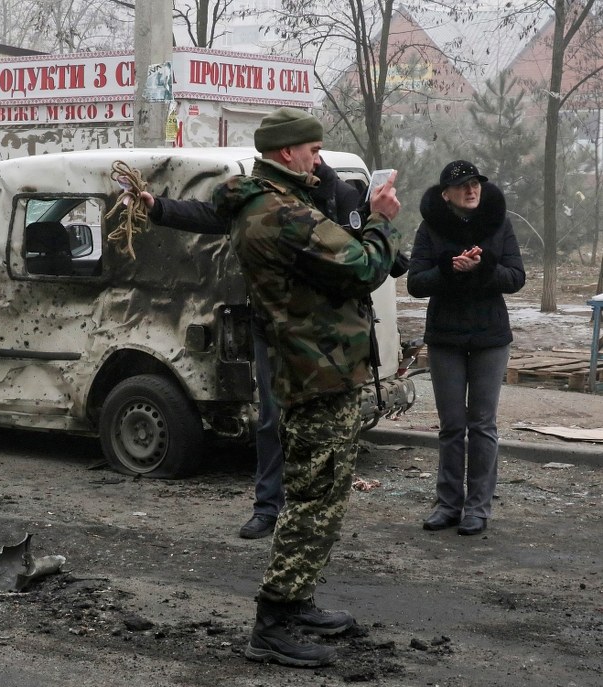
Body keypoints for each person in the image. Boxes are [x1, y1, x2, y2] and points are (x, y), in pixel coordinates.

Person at [211, 107, 402, 667]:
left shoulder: (272, 204)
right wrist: (381, 219)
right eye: (313, 151)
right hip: (316, 370)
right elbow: (365, 266)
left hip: (316, 366)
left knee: (319, 494)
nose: (318, 160)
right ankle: (273, 622)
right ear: (286, 153)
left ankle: (295, 601)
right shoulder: (281, 213)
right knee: (313, 500)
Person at [140, 158, 361, 540]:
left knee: (316, 423)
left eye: (318, 149)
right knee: (271, 419)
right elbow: (212, 215)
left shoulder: (336, 193)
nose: (316, 157)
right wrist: (159, 207)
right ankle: (267, 508)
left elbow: (361, 254)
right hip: (270, 325)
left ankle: (311, 513)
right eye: (311, 149)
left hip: (318, 331)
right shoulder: (262, 196)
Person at [407, 161, 525, 535]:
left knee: (483, 423)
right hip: (445, 337)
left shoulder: (499, 224)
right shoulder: (431, 228)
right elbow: (415, 283)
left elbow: (516, 278)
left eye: (475, 184)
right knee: (452, 425)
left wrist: (485, 265)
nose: (471, 190)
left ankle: (477, 508)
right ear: (446, 194)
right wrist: (449, 269)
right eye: (462, 186)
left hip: (490, 337)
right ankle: (447, 504)